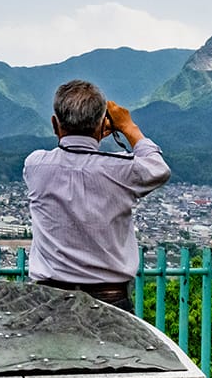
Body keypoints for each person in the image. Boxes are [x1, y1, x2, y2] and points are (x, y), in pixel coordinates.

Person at [24, 79, 171, 308]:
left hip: (50, 298)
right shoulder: (121, 170)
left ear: (55, 124)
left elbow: (76, 158)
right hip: (110, 300)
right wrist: (128, 127)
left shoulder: (36, 166)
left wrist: (92, 134)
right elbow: (158, 169)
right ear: (102, 125)